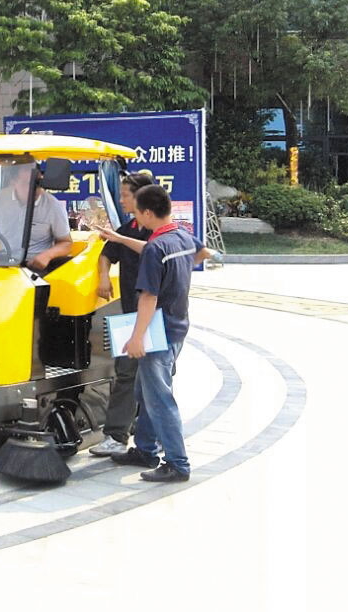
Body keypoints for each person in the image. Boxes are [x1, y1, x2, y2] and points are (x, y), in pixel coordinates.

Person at [108, 183, 197, 483]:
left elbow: (148, 297)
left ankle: (177, 463)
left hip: (158, 333)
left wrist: (136, 338)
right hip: (177, 326)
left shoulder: (156, 249)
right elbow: (199, 255)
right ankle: (145, 450)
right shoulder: (182, 237)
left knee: (159, 399)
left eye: (136, 213)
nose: (135, 218)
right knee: (145, 392)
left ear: (147, 213)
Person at [86, 171, 155, 457]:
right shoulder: (128, 228)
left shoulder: (159, 230)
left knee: (155, 377)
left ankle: (152, 435)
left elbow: (152, 250)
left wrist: (120, 239)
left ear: (141, 197)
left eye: (125, 195)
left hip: (155, 318)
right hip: (130, 314)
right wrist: (104, 276)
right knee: (125, 375)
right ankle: (116, 435)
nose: (122, 200)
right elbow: (107, 253)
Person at [0, 164, 72, 273]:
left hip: (36, 267)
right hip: (5, 263)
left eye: (38, 183)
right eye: (28, 184)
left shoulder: (53, 206)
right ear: (13, 182)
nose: (35, 189)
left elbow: (66, 243)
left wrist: (47, 255)